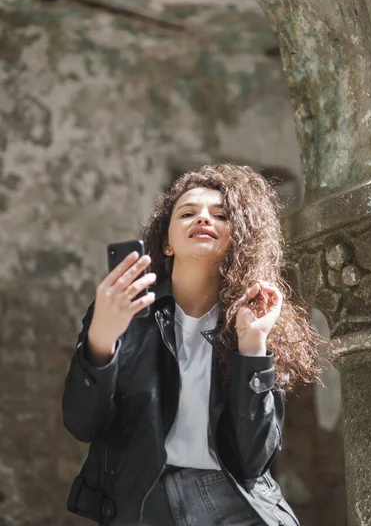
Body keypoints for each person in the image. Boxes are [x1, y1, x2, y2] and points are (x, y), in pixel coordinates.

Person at [62, 163, 321, 526]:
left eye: (220, 215)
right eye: (187, 212)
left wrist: (253, 344)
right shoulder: (122, 312)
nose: (203, 218)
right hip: (148, 503)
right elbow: (81, 424)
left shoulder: (252, 319)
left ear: (239, 237)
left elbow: (253, 460)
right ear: (167, 241)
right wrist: (101, 338)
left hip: (238, 504)